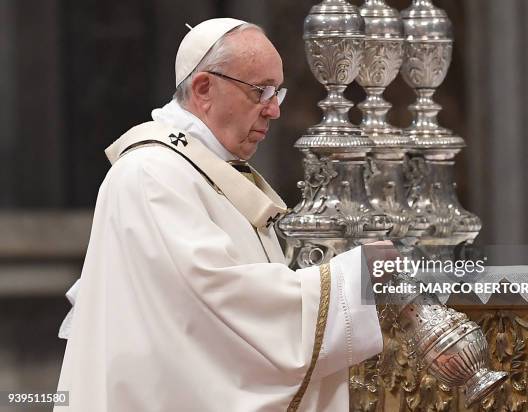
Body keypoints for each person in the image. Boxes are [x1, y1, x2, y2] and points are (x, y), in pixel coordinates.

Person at [54, 18, 384, 412]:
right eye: (260, 91)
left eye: (278, 91)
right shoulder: (152, 174)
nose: (275, 110)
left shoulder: (205, 169)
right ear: (204, 88)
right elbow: (219, 303)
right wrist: (346, 284)